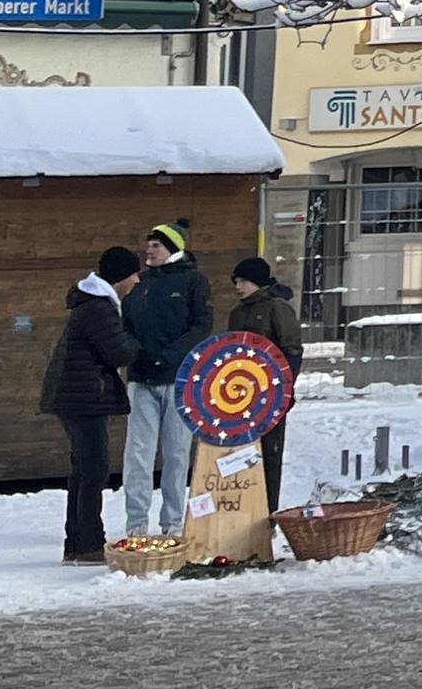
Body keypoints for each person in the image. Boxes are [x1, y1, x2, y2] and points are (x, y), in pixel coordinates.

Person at [37, 245, 141, 564]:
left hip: (76, 396)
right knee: (93, 471)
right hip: (85, 398)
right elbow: (119, 352)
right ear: (121, 276)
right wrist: (140, 342)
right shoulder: (99, 307)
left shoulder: (92, 303)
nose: (137, 280)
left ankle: (77, 542)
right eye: (134, 274)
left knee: (83, 471)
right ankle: (89, 544)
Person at [117, 222, 214, 540]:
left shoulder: (193, 281)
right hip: (142, 379)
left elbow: (201, 325)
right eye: (148, 245)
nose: (149, 250)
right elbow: (125, 324)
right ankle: (136, 522)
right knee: (138, 453)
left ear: (172, 248)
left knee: (176, 453)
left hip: (179, 379)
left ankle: (173, 521)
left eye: (156, 245)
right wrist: (135, 355)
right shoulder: (140, 283)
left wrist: (172, 355)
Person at [223, 254, 306, 512]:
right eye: (236, 281)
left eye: (243, 281)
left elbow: (292, 349)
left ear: (257, 282)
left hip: (272, 392)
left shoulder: (277, 308)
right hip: (241, 393)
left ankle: (267, 511)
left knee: (270, 453)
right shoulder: (237, 313)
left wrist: (286, 389)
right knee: (242, 453)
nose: (237, 286)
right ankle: (243, 508)